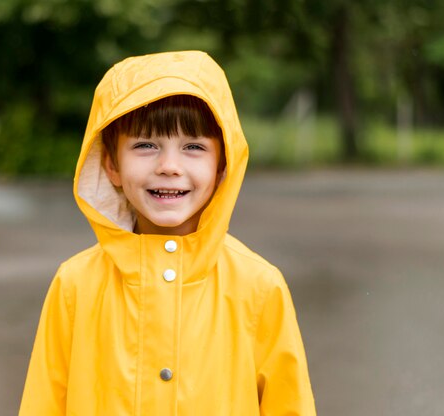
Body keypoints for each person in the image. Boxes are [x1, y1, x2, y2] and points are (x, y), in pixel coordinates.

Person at [19, 50, 315, 415]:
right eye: (146, 145)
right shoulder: (75, 285)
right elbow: (44, 403)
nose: (169, 167)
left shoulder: (259, 286)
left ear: (223, 165)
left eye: (193, 147)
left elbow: (289, 406)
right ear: (111, 164)